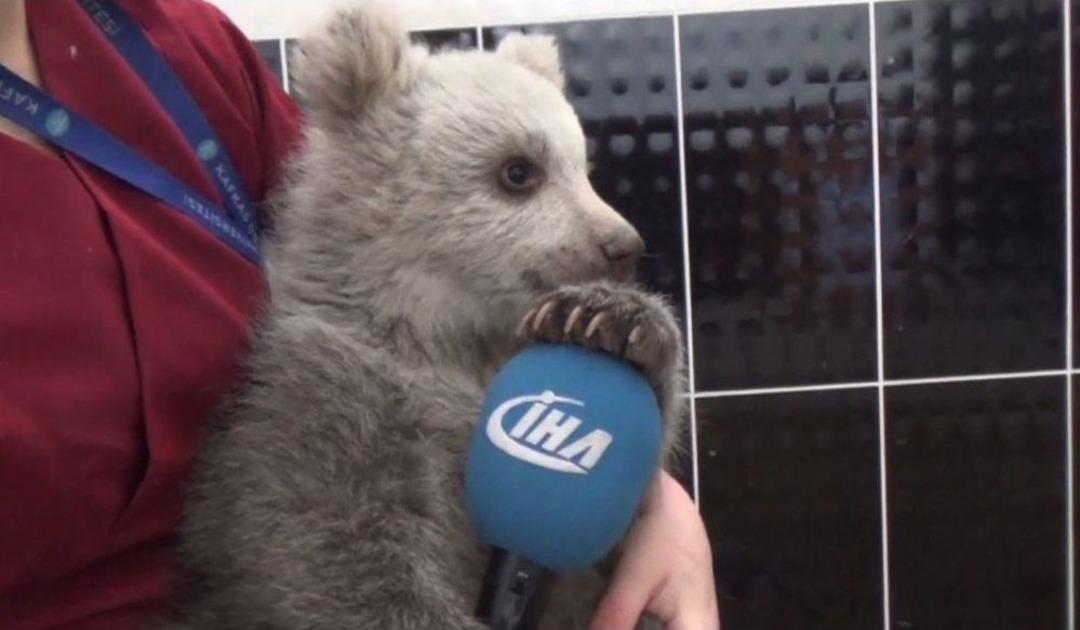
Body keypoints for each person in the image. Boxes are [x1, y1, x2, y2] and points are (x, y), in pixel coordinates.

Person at [0, 1, 719, 629]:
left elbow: (364, 209)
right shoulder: (325, 384)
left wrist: (656, 497)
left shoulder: (167, 51)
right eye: (517, 179)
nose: (618, 232)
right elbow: (323, 559)